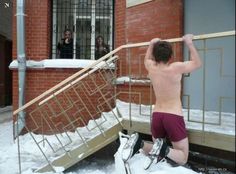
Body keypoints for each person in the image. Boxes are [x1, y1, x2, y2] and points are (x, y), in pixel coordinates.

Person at [121, 34, 202, 169]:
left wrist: (152, 43)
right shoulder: (175, 68)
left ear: (155, 55)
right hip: (173, 115)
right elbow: (197, 63)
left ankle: (140, 144)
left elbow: (147, 58)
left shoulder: (151, 67)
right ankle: (165, 149)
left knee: (156, 150)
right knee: (182, 157)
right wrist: (189, 43)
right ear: (170, 56)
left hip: (157, 115)